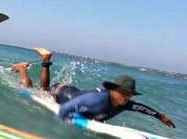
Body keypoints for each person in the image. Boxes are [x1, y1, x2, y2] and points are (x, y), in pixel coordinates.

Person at [13, 48, 176, 128]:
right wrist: (59, 127)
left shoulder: (126, 103)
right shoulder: (95, 99)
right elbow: (65, 110)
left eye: (129, 95)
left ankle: (46, 59)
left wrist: (159, 116)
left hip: (72, 91)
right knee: (37, 91)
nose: (126, 98)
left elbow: (142, 108)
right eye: (123, 93)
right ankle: (22, 69)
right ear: (113, 90)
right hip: (62, 93)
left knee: (43, 87)